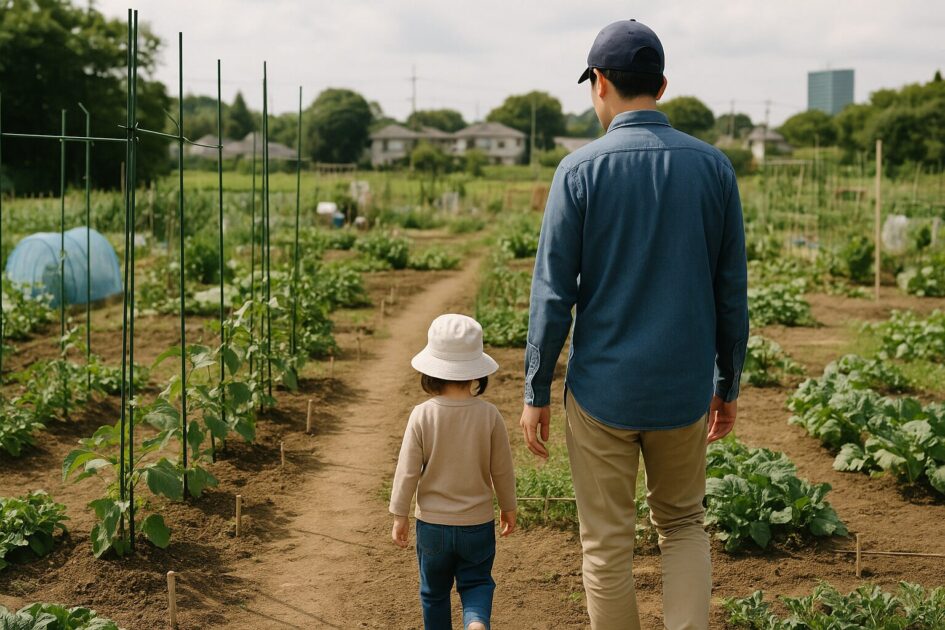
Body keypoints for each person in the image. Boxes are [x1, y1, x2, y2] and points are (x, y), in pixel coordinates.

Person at [519, 19, 749, 630]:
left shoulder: (579, 172)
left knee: (606, 542)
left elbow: (551, 295)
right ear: (663, 84)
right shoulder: (714, 169)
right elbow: (731, 292)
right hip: (683, 389)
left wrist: (535, 390)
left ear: (599, 84)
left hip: (603, 393)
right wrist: (728, 384)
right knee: (683, 525)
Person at [390, 314, 518, 630]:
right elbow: (501, 468)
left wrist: (399, 514)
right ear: (476, 371)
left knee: (433, 594)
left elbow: (407, 471)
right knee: (476, 584)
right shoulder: (489, 415)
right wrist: (508, 507)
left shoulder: (422, 415)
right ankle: (475, 624)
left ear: (431, 371)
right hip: (477, 524)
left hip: (432, 526)